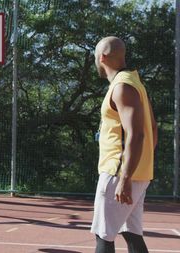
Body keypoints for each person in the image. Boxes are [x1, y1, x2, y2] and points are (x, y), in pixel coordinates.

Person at [91, 36, 157, 253]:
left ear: (102, 57)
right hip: (138, 172)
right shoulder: (135, 82)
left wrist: (125, 177)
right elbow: (153, 130)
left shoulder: (121, 87)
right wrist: (141, 166)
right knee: (132, 234)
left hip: (118, 172)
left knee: (103, 236)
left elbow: (136, 135)